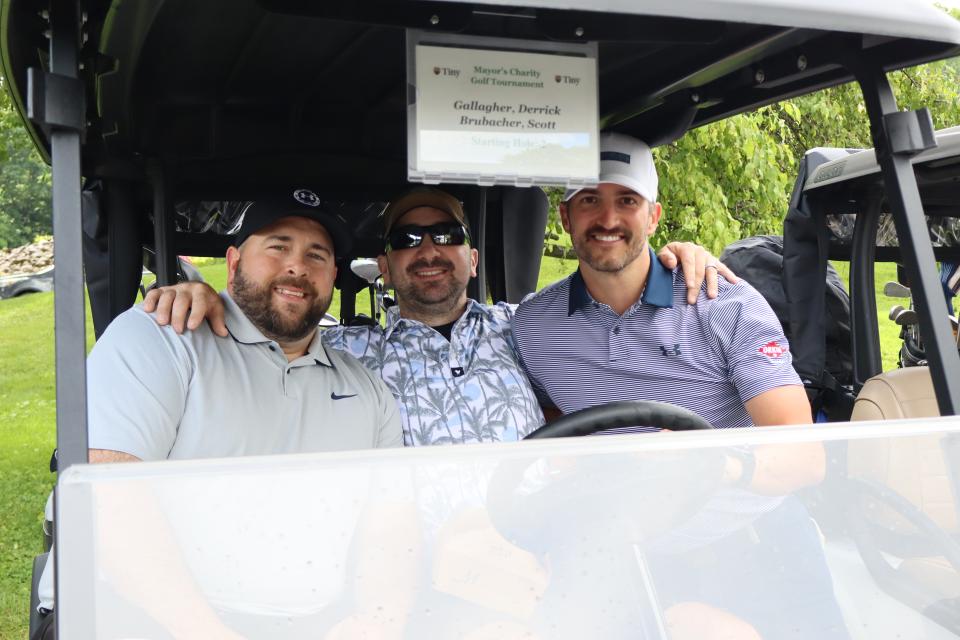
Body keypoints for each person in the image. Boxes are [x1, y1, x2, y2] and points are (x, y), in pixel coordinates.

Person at [509, 132, 846, 639]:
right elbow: (550, 419)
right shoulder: (533, 326)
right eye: (588, 201)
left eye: (627, 201)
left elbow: (804, 457)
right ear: (565, 218)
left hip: (747, 537)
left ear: (654, 217)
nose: (607, 219)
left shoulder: (725, 303)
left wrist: (713, 462)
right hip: (616, 549)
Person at [33, 194, 405, 640]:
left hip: (305, 622)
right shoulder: (159, 339)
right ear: (232, 263)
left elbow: (392, 527)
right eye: (277, 247)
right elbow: (107, 503)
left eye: (317, 256)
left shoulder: (369, 392)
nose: (297, 267)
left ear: (332, 276)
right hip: (134, 614)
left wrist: (376, 620)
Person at [147, 187, 737, 446]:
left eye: (445, 235)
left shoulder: (524, 326)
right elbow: (274, 319)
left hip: (544, 540)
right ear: (385, 263)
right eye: (407, 239)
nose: (427, 250)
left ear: (472, 257)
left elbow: (612, 277)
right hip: (414, 558)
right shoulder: (346, 351)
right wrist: (208, 299)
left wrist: (679, 254)